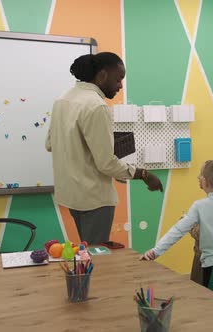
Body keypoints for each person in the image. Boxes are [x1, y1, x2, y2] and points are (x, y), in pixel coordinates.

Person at [46, 52, 163, 245]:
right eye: (118, 79)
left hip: (71, 195)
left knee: (87, 254)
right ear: (102, 76)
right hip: (94, 199)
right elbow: (106, 163)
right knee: (96, 257)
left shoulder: (62, 99)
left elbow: (50, 143)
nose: (120, 86)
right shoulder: (96, 106)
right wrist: (144, 174)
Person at [140, 160, 213, 287]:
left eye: (200, 176)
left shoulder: (200, 206)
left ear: (205, 181)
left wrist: (156, 251)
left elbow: (177, 231)